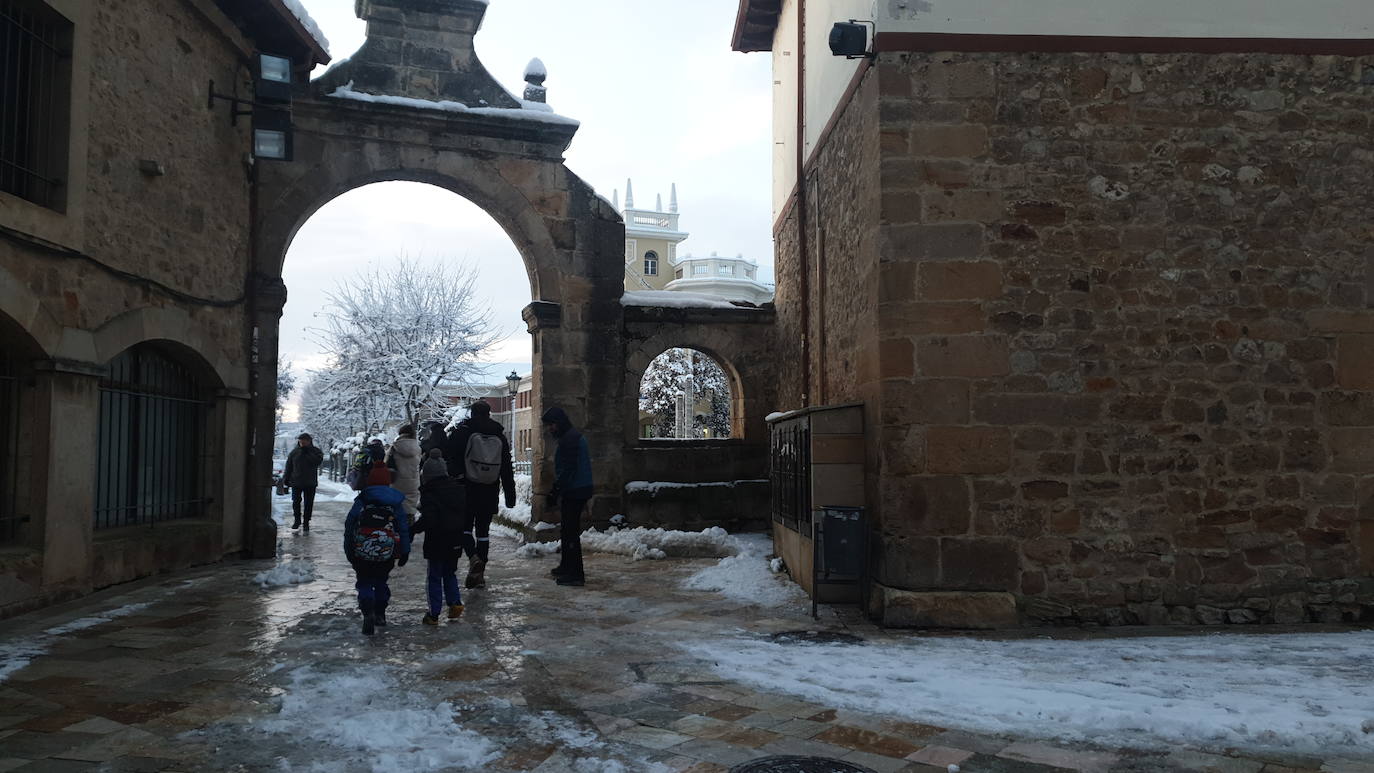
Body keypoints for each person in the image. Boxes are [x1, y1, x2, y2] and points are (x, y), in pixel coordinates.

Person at [443, 401, 516, 590]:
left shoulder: (463, 431)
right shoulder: (498, 434)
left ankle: (473, 557)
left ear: (472, 413)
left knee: (465, 528)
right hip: (489, 488)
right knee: (483, 531)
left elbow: (449, 456)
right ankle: (480, 574)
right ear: (489, 413)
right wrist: (510, 494)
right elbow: (506, 466)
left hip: (466, 487)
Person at [344, 482, 411, 635]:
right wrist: (405, 551)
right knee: (381, 581)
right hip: (386, 553)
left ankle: (368, 611)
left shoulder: (362, 500)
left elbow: (349, 525)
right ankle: (380, 614)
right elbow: (403, 528)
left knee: (364, 581)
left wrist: (349, 550)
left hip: (361, 552)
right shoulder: (395, 504)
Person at [413, 449, 469, 625]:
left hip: (437, 542)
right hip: (455, 541)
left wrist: (414, 529)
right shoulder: (458, 491)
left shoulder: (431, 494)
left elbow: (429, 519)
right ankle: (455, 603)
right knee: (450, 573)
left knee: (434, 576)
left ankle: (434, 613)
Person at [542, 406, 593, 587]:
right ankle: (566, 566)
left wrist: (556, 490)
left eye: (551, 425)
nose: (550, 429)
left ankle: (576, 573)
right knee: (567, 530)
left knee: (571, 532)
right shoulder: (569, 436)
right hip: (576, 488)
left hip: (576, 489)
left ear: (559, 423)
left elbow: (568, 469)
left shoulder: (569, 439)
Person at [282, 433, 324, 531]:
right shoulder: (294, 452)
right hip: (296, 482)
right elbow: (289, 466)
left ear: (309, 441)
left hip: (310, 483)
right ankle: (297, 520)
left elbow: (317, 462)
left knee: (308, 503)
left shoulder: (316, 451)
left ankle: (306, 522)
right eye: (301, 441)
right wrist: (286, 480)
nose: (302, 443)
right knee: (296, 502)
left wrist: (307, 452)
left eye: (304, 441)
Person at [389, 424, 423, 519]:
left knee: (396, 509)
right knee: (410, 509)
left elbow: (386, 463)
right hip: (413, 483)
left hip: (397, 482)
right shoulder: (418, 448)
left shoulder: (395, 447)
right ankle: (408, 527)